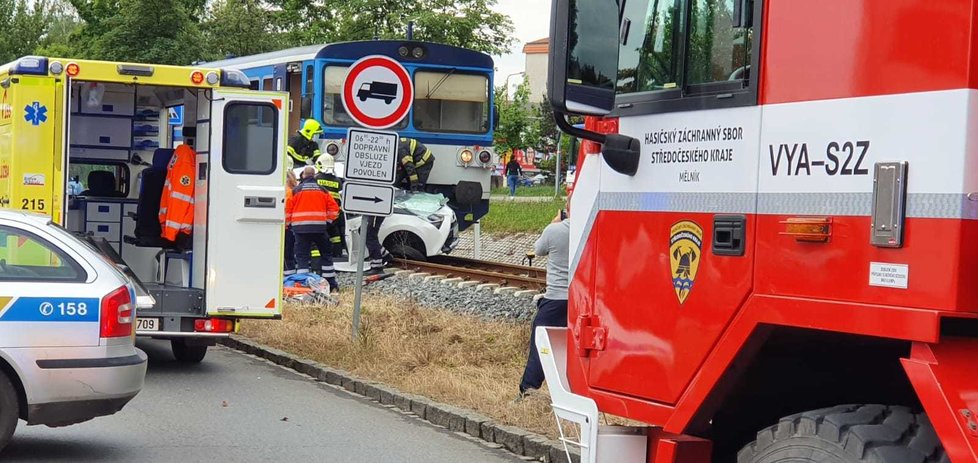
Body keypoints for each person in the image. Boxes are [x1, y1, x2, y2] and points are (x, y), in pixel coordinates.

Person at [518, 206, 570, 399]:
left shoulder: (554, 230)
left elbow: (538, 250)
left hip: (555, 298)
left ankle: (528, 390)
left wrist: (553, 224)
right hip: (581, 300)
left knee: (540, 343)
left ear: (567, 209)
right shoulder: (591, 228)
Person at [363, 138, 435, 275]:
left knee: (369, 235)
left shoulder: (400, 150)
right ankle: (386, 256)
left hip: (423, 161)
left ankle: (377, 265)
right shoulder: (392, 156)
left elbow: (410, 169)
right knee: (370, 234)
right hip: (381, 203)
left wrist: (415, 188)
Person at [287, 166, 341, 292]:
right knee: (326, 255)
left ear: (303, 176)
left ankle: (303, 286)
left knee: (302, 257)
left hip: (300, 230)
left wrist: (289, 225)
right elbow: (335, 209)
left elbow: (287, 210)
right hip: (319, 229)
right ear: (314, 175)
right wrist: (327, 222)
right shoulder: (323, 191)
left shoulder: (295, 191)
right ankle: (331, 284)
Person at [159, 144, 196, 242]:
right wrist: (171, 234)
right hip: (180, 230)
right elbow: (179, 203)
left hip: (175, 229)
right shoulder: (185, 165)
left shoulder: (178, 162)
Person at [315, 154, 345, 258]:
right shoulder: (337, 180)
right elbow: (341, 197)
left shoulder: (316, 179)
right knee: (335, 234)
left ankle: (320, 256)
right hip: (335, 213)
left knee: (319, 235)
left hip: (321, 213)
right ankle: (337, 253)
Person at [284, 169, 299, 276]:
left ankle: (289, 276)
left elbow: (287, 210)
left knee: (287, 253)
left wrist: (286, 223)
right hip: (297, 225)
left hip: (288, 226)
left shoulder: (288, 192)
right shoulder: (296, 191)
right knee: (292, 252)